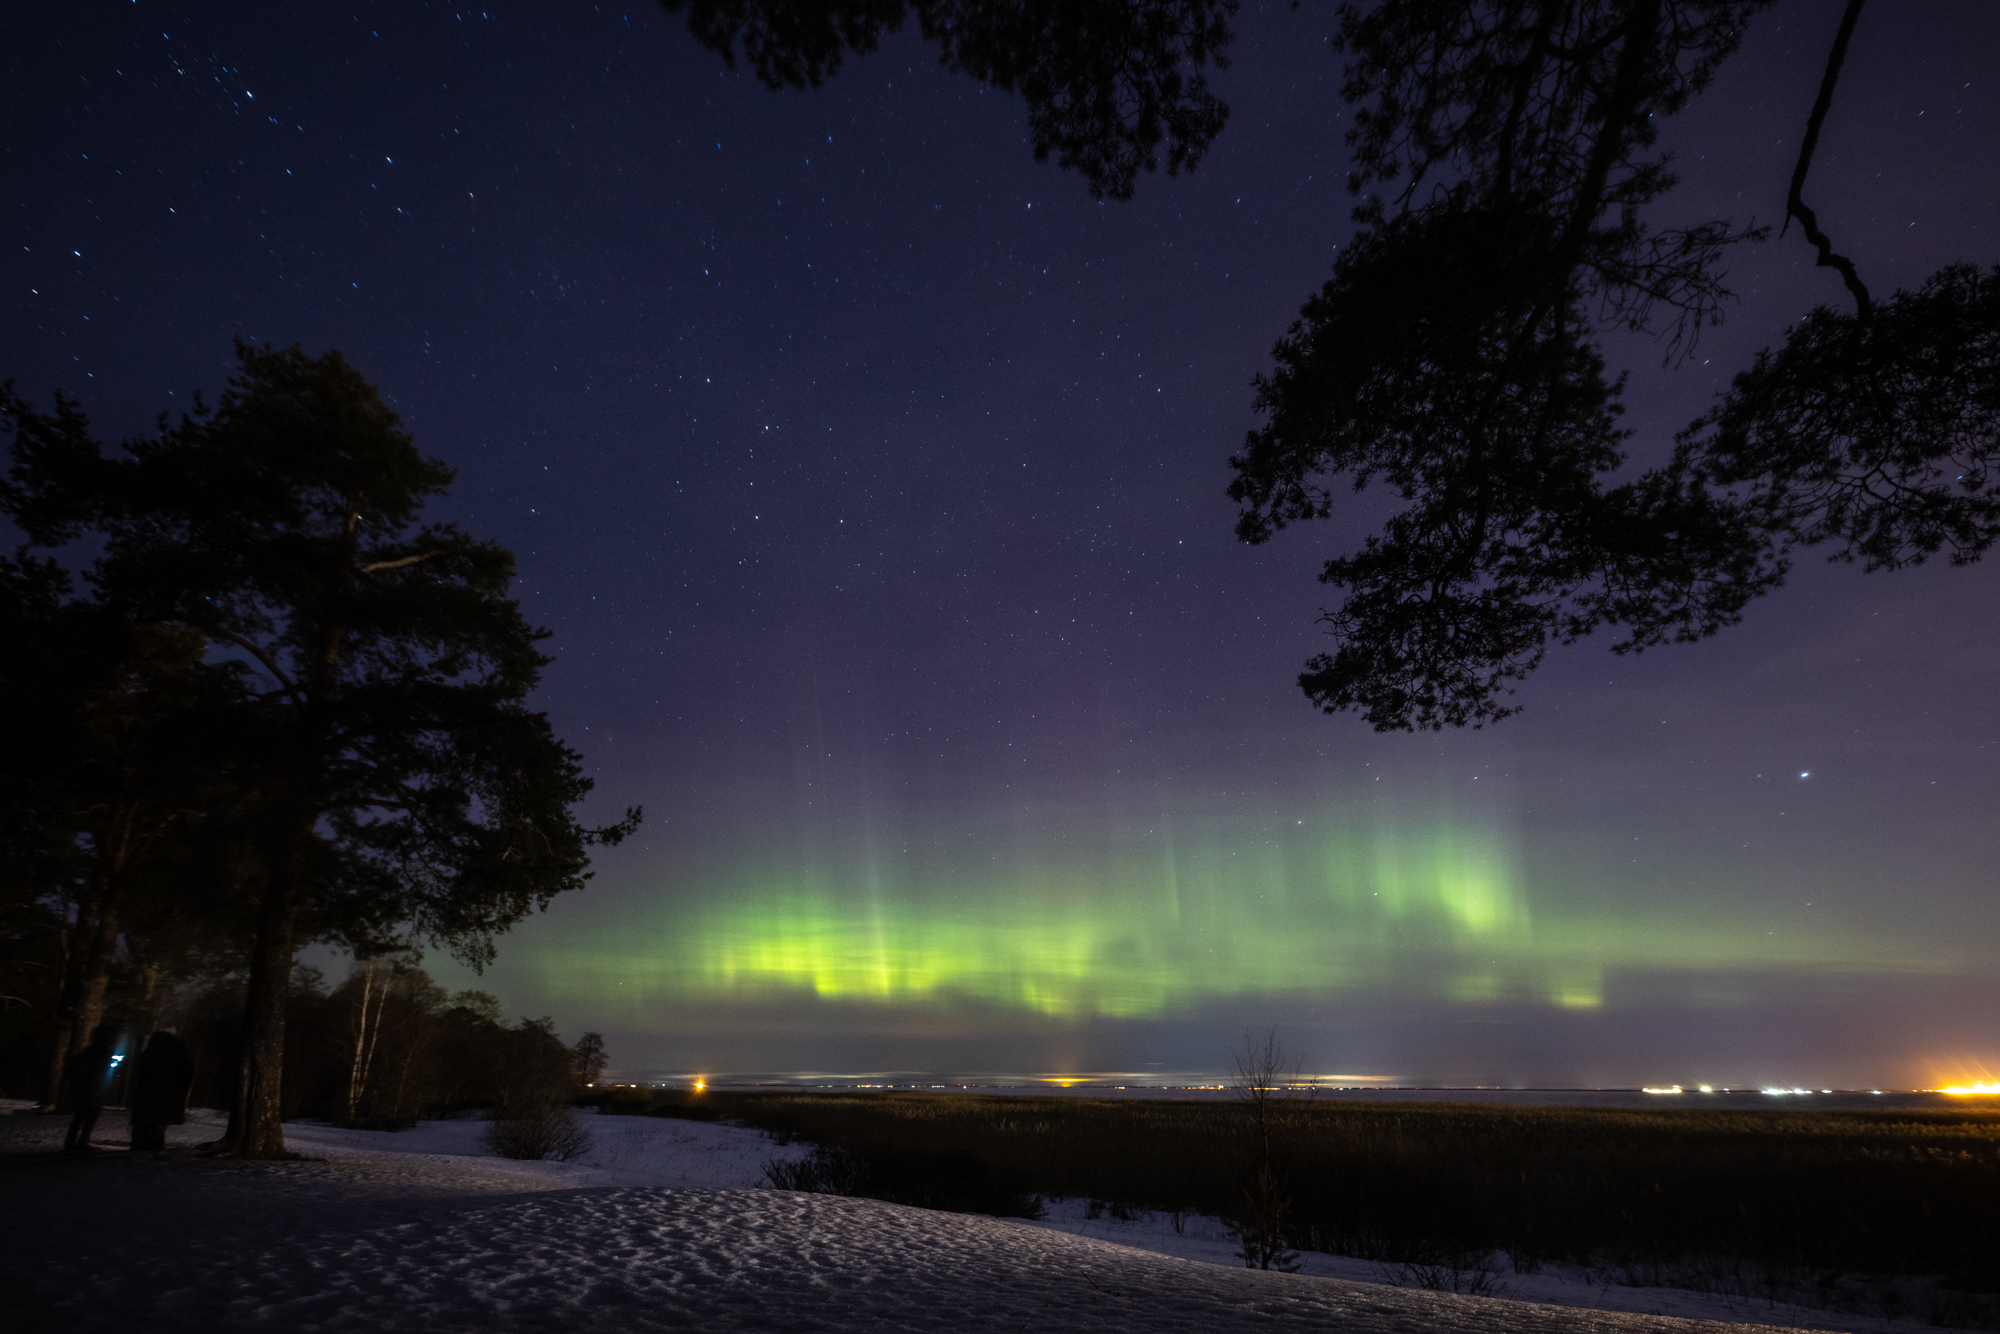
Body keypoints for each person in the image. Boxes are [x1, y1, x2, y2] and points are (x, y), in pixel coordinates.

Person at [129, 1026, 196, 1151]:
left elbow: (140, 1069)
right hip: (169, 1095)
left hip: (147, 1092)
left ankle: (138, 1145)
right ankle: (155, 1145)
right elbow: (187, 1072)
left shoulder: (151, 1050)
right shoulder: (179, 1051)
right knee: (159, 1122)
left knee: (143, 1121)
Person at [62, 1025, 119, 1153]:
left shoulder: (91, 1050)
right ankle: (80, 1142)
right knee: (89, 1115)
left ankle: (73, 1143)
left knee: (81, 1116)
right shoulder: (102, 1051)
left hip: (86, 1086)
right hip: (93, 1087)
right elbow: (99, 1070)